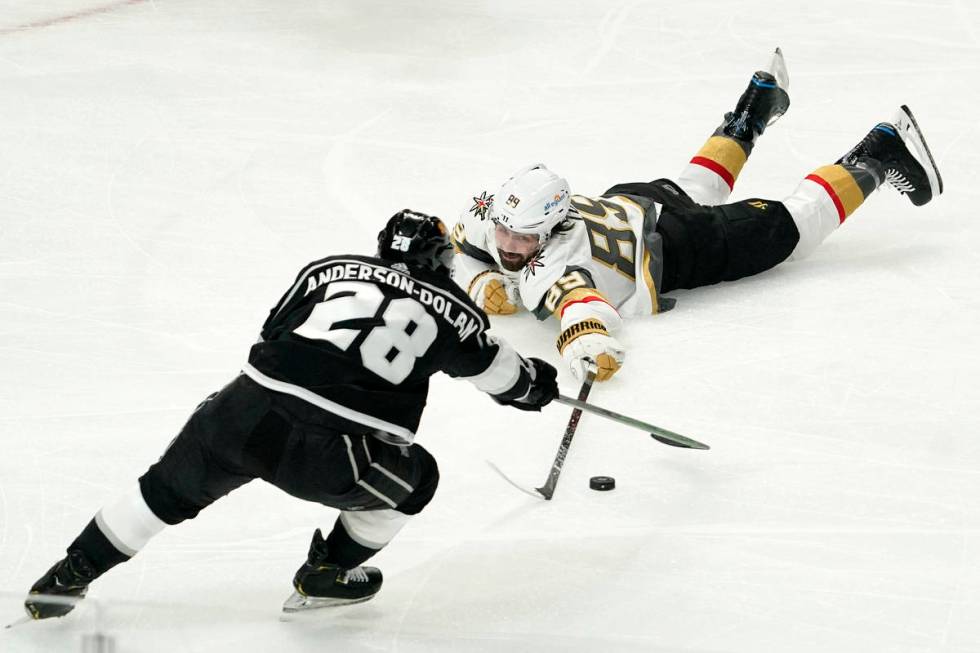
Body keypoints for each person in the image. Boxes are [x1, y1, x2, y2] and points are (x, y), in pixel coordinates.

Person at [23, 210, 559, 620]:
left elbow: (273, 331)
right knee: (416, 480)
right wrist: (538, 385)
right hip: (332, 453)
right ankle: (328, 572)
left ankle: (67, 576)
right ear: (441, 258)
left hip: (243, 411)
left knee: (162, 491)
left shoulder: (327, 269)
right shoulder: (454, 308)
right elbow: (506, 380)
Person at [450, 49, 943, 382]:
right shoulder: (489, 213)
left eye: (524, 239)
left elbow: (578, 305)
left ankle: (881, 153)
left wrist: (584, 342)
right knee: (695, 185)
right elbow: (456, 246)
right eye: (505, 231)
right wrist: (476, 282)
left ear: (553, 228)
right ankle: (755, 105)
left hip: (679, 246)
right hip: (633, 201)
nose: (509, 245)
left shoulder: (547, 268)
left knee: (792, 227)